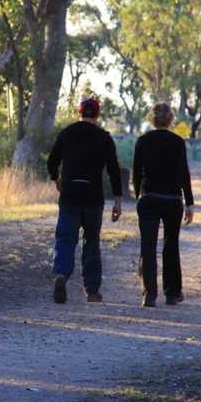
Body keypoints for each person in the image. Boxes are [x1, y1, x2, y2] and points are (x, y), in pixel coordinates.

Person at [47, 98, 123, 304]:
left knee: (65, 239)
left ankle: (61, 275)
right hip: (93, 197)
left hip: (70, 194)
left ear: (78, 113)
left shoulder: (67, 133)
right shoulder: (104, 137)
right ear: (98, 115)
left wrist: (57, 178)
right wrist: (117, 199)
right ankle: (92, 291)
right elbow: (114, 170)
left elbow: (52, 160)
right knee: (91, 242)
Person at [132, 103, 195, 308]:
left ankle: (149, 294)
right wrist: (189, 202)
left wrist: (138, 195)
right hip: (172, 200)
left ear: (152, 118)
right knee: (171, 244)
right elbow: (183, 173)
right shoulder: (178, 142)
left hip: (149, 197)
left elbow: (136, 172)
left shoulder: (143, 141)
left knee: (147, 246)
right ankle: (172, 293)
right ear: (170, 119)